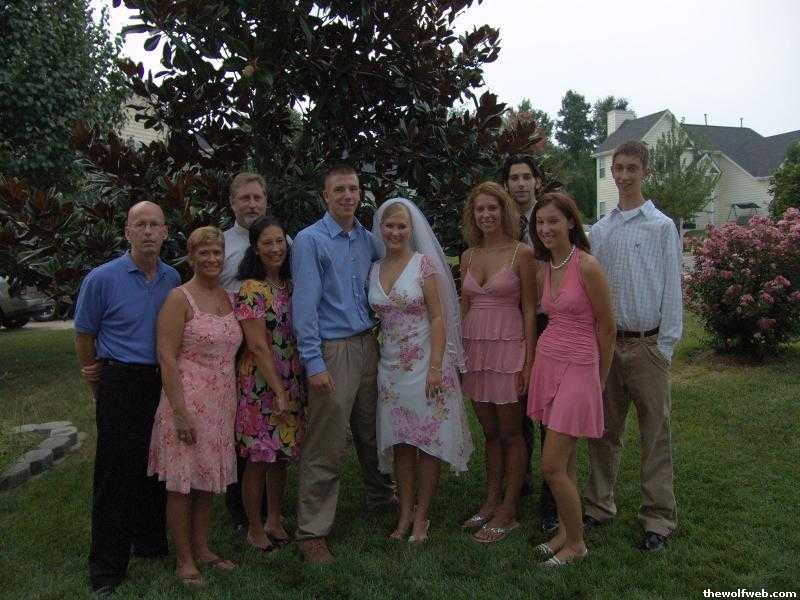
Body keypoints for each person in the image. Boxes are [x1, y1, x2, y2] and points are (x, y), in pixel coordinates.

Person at [74, 201, 180, 596]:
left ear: (165, 232)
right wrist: (95, 377)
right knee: (115, 473)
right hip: (120, 379)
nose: (148, 231)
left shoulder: (172, 278)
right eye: (141, 224)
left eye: (155, 224)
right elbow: (84, 334)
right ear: (127, 232)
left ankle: (149, 542)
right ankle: (106, 568)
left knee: (155, 464)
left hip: (160, 379)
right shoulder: (102, 278)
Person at [290, 164, 395, 563]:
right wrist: (314, 362)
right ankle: (312, 531)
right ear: (325, 196)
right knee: (328, 441)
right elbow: (305, 307)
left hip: (369, 345)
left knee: (372, 431)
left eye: (353, 189)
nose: (348, 196)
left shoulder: (368, 240)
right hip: (333, 351)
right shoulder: (310, 240)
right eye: (339, 190)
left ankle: (381, 498)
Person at [583, 140, 683, 552]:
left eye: (632, 168)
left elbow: (673, 289)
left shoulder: (661, 227)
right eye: (618, 168)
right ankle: (598, 505)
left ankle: (658, 517)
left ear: (645, 172)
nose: (624, 176)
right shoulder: (600, 231)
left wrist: (665, 346)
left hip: (647, 345)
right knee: (603, 431)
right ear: (612, 172)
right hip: (608, 345)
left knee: (654, 433)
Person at [368, 198, 473, 543]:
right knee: (401, 443)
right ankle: (404, 515)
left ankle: (422, 517)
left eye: (402, 226)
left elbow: (439, 317)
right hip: (391, 370)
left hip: (426, 365)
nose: (395, 232)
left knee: (427, 442)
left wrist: (436, 366)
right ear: (380, 228)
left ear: (411, 229)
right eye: (389, 226)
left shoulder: (423, 265)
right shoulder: (374, 268)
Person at [148, 226, 242, 586]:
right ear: (191, 257)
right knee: (182, 483)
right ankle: (184, 559)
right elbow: (166, 358)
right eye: (204, 253)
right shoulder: (179, 299)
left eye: (217, 252)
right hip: (186, 402)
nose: (212, 259)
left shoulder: (228, 298)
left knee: (206, 482)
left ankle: (203, 549)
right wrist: (180, 412)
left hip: (220, 404)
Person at [526, 191, 615, 567]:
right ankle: (565, 531)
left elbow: (607, 327)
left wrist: (599, 379)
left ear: (571, 223)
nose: (545, 228)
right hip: (549, 362)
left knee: (550, 466)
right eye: (540, 222)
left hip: (580, 367)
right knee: (565, 463)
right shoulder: (544, 266)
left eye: (553, 221)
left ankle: (577, 545)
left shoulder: (587, 266)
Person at [459, 181, 537, 543]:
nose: (486, 215)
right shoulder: (468, 256)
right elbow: (464, 307)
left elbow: (530, 310)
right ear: (472, 215)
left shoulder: (522, 253)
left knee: (511, 433)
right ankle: (491, 500)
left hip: (509, 350)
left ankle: (509, 509)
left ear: (504, 211)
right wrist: (457, 355)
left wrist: (528, 361)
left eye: (492, 208)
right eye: (480, 209)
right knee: (489, 433)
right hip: (476, 351)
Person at [233, 216, 305, 552]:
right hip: (261, 385)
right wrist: (277, 390)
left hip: (291, 379)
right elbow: (258, 346)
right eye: (267, 243)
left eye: (279, 242)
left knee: (281, 455)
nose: (275, 248)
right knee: (259, 457)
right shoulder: (251, 289)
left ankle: (274, 519)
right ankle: (254, 526)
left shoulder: (290, 285)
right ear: (255, 248)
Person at [502, 154, 559, 534]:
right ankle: (518, 483)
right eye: (514, 178)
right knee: (517, 408)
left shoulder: (549, 219)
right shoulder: (503, 223)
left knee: (549, 415)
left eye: (526, 177)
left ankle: (552, 500)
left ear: (537, 181)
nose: (521, 183)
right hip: (511, 323)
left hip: (548, 320)